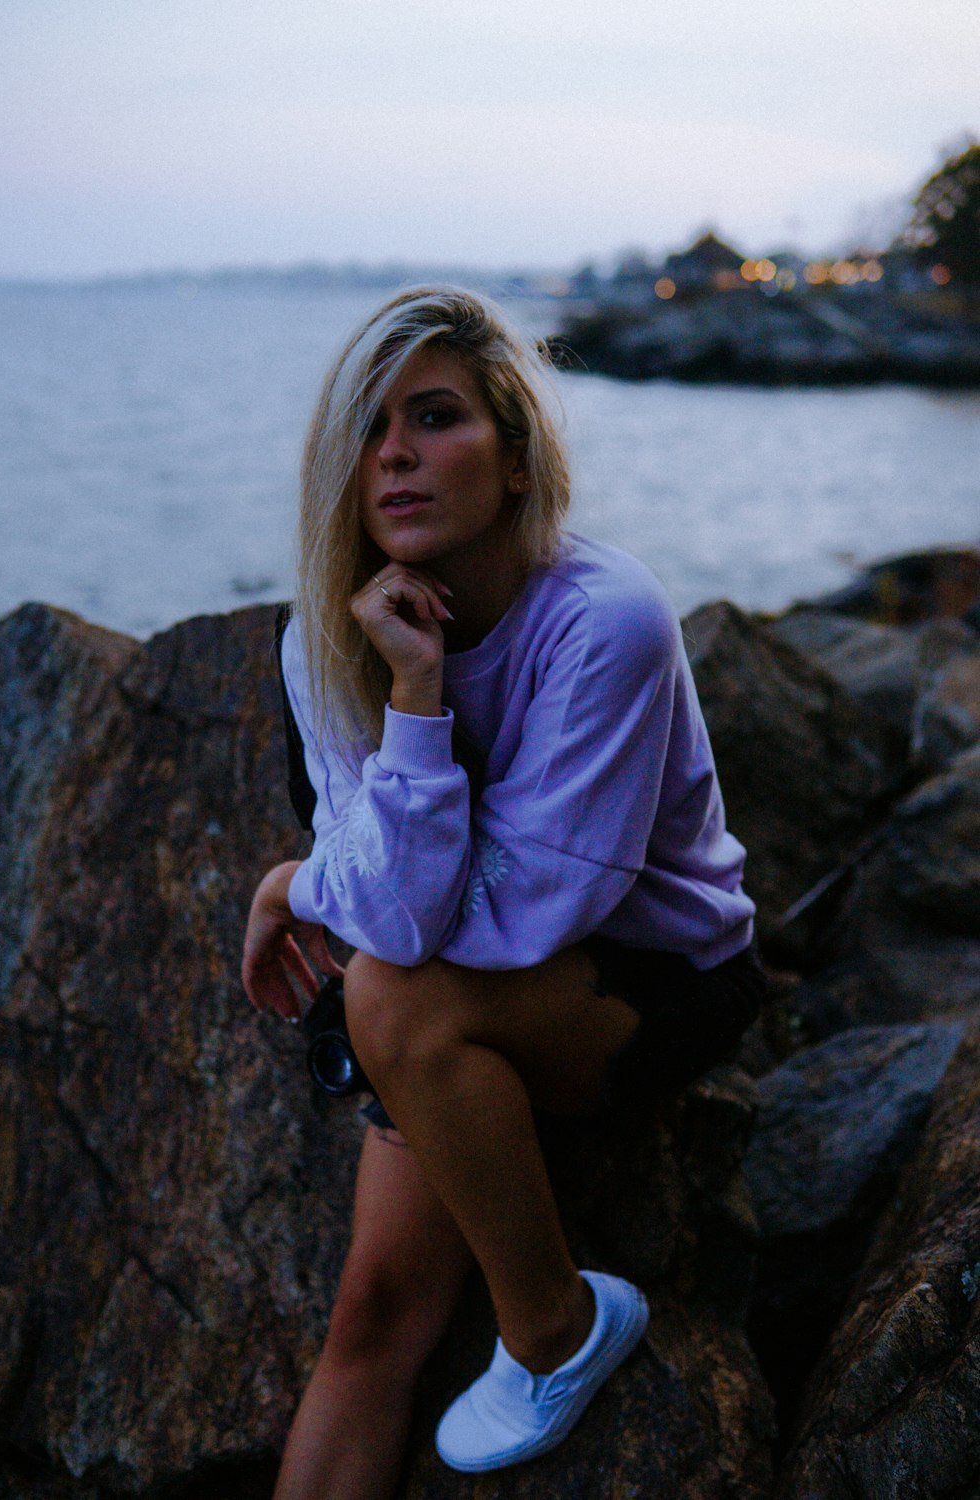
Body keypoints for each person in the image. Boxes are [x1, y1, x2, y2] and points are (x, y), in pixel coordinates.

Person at [241, 286, 763, 1499]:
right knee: (370, 1313)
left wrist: (300, 885)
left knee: (395, 996)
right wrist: (411, 687)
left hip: (643, 980)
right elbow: (390, 898)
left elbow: (511, 917)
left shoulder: (604, 621)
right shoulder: (328, 637)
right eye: (366, 430)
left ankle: (555, 1327)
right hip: (441, 997)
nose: (393, 456)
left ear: (517, 457)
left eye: (434, 417)